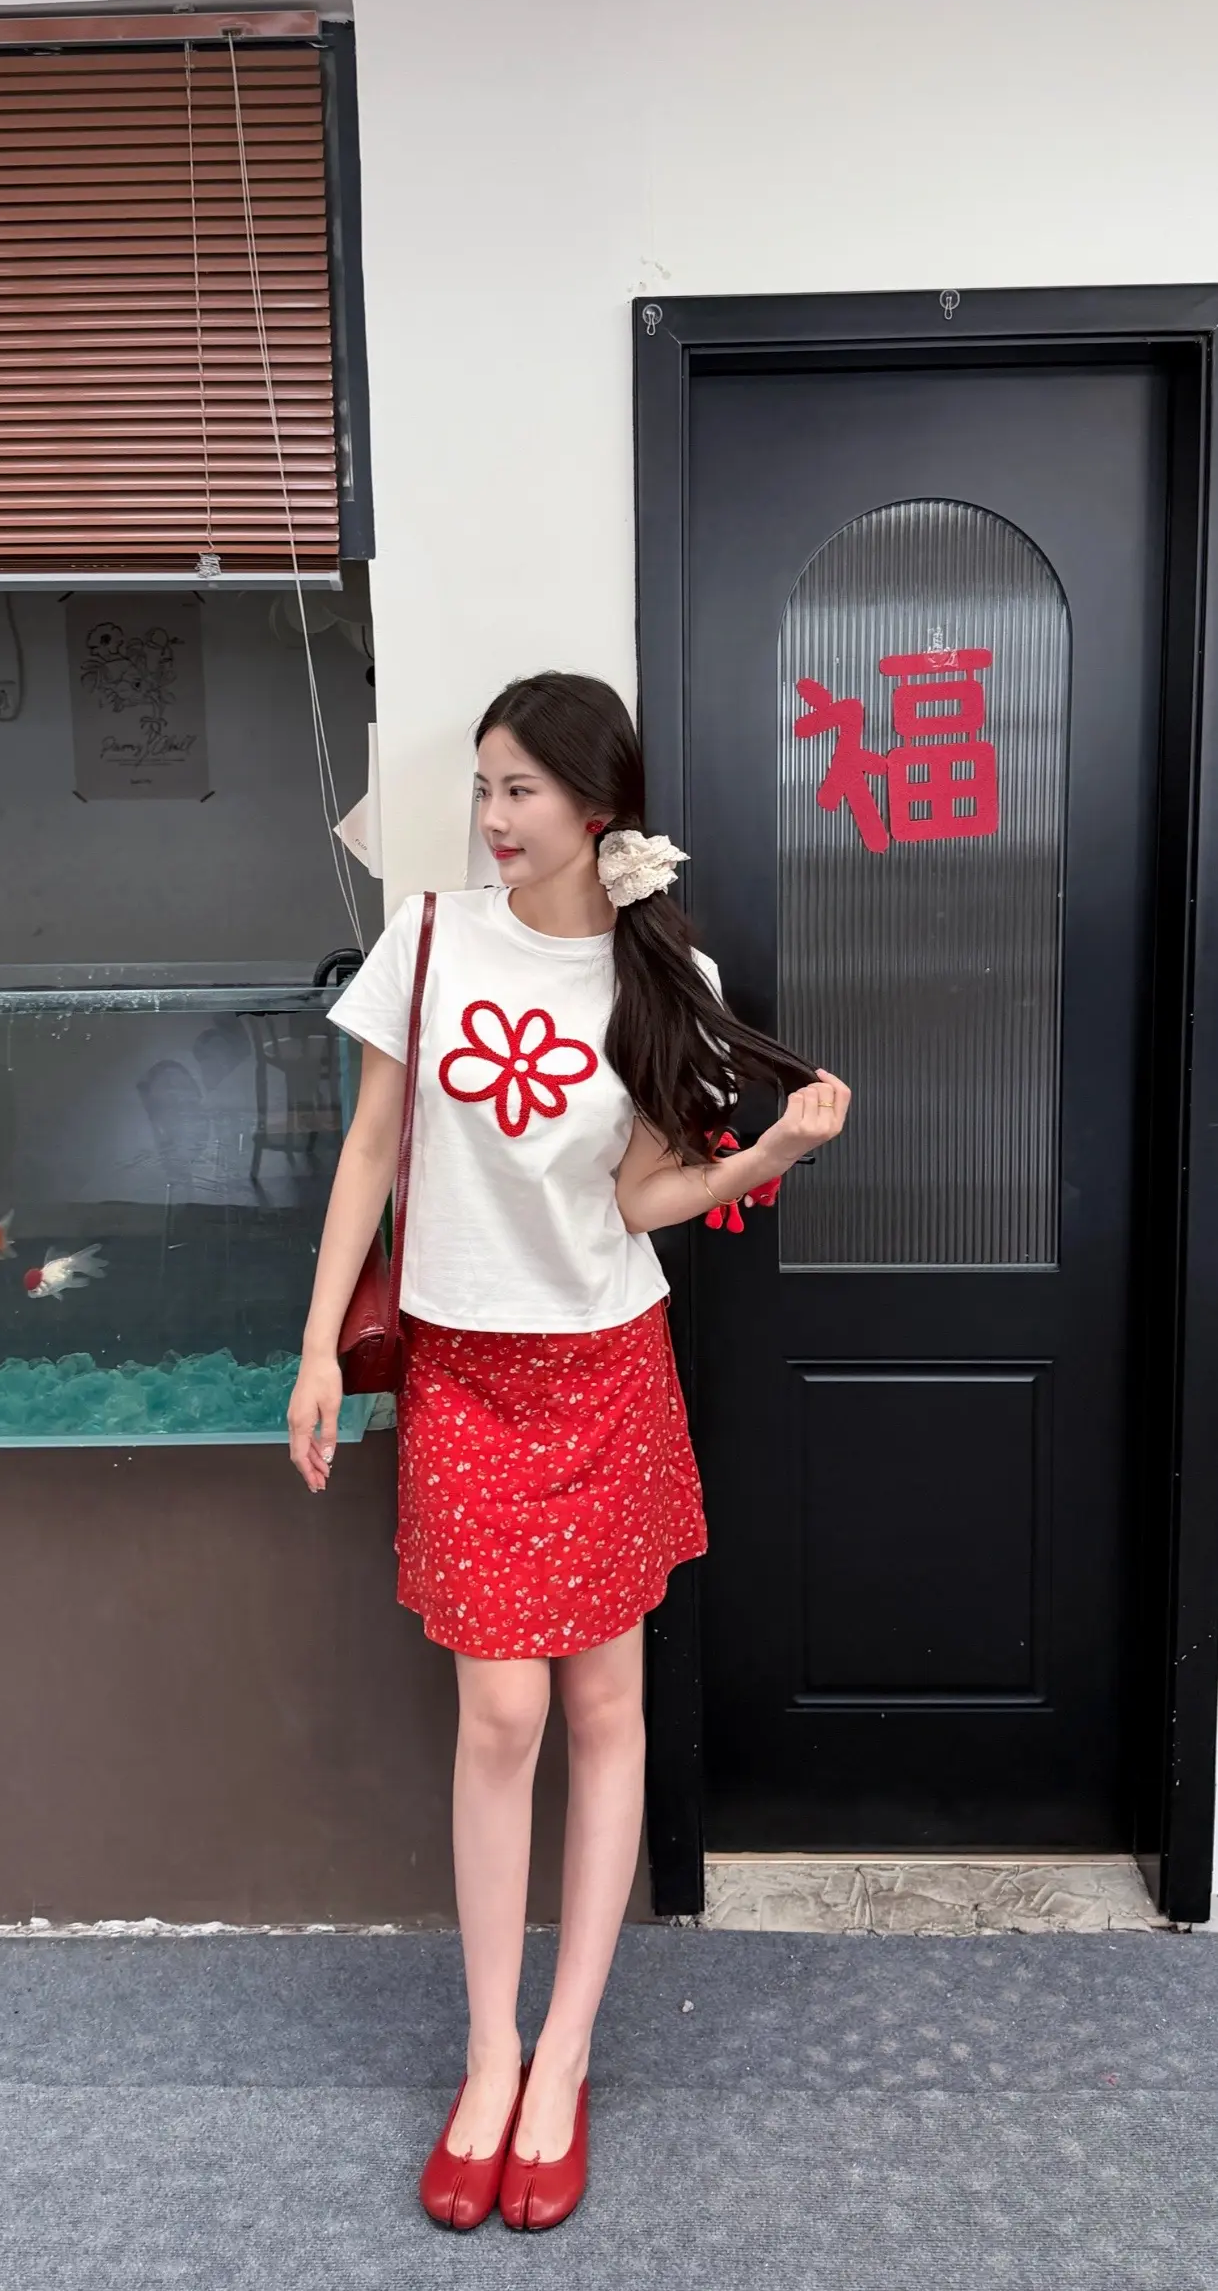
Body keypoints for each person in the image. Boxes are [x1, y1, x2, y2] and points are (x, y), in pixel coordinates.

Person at [286, 671, 850, 2233]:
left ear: (597, 806)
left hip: (603, 1368)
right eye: (481, 786)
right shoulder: (425, 942)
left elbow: (642, 1200)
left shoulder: (667, 975)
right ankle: (488, 2055)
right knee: (499, 1715)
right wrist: (319, 1346)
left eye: (519, 789)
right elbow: (373, 1147)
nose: (491, 817)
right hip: (464, 1372)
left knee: (604, 1709)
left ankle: (564, 2058)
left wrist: (770, 1151)